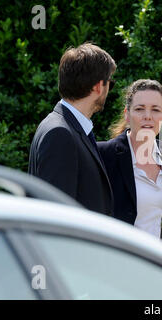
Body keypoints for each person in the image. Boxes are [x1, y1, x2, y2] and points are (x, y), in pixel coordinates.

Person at [97, 79, 162, 250]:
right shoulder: (105, 154)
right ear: (127, 114)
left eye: (155, 110)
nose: (148, 116)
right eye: (139, 109)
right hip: (123, 265)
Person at [28, 43, 116, 215]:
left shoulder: (62, 126)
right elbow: (56, 215)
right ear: (98, 87)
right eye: (109, 84)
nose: (109, 90)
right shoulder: (60, 133)